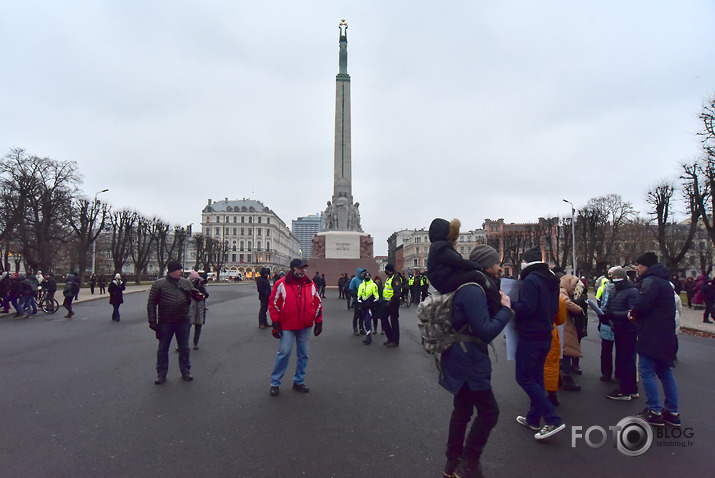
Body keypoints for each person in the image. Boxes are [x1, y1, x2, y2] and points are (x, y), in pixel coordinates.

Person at [438, 244, 513, 478]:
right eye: (497, 263)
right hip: (468, 358)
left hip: (460, 356)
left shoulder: (472, 285)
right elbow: (485, 330)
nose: (500, 267)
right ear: (487, 264)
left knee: (462, 410)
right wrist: (506, 311)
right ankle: (468, 463)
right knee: (489, 412)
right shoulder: (473, 289)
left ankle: (452, 464)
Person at [511, 246, 565, 440]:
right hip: (546, 333)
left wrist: (509, 304)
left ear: (526, 261)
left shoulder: (531, 279)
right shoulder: (551, 280)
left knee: (523, 377)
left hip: (531, 335)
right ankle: (533, 418)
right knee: (536, 377)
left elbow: (527, 308)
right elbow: (553, 308)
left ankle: (552, 419)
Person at [629, 252, 679, 427]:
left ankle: (654, 410)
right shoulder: (665, 282)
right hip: (666, 334)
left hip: (651, 334)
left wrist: (633, 313)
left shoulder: (650, 282)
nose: (637, 268)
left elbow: (642, 304)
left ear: (647, 266)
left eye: (639, 265)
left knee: (646, 370)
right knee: (665, 372)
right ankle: (672, 411)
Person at [268, 258, 323, 397]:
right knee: (284, 353)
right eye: (300, 268)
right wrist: (276, 322)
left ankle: (299, 381)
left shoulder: (310, 284)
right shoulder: (281, 284)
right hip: (288, 325)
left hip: (305, 325)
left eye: (305, 268)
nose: (303, 270)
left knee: (303, 355)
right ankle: (275, 382)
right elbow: (274, 303)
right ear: (293, 269)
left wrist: (319, 321)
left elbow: (317, 302)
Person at [147, 260, 204, 385]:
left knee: (184, 348)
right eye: (179, 270)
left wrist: (199, 295)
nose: (181, 271)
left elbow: (196, 293)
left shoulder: (186, 283)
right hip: (166, 321)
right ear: (172, 271)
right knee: (163, 349)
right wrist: (152, 321)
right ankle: (161, 374)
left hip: (183, 320)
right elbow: (151, 303)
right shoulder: (159, 284)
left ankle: (185, 371)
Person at [602, 267, 640, 401]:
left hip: (628, 330)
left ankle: (626, 390)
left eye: (618, 278)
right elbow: (608, 305)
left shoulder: (632, 292)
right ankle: (630, 388)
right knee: (623, 359)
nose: (615, 280)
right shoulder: (615, 291)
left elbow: (632, 312)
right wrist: (604, 314)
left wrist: (613, 314)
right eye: (613, 278)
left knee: (627, 360)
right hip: (618, 328)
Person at [559, 274, 585, 392]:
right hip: (564, 323)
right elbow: (566, 303)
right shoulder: (562, 291)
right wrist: (579, 309)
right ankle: (566, 377)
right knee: (565, 351)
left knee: (564, 351)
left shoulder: (561, 289)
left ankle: (562, 377)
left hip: (563, 322)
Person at [188, 270, 209, 350]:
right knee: (188, 326)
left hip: (198, 307)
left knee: (196, 326)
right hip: (192, 308)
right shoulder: (188, 285)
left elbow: (206, 295)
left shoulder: (200, 285)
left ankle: (194, 343)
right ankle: (189, 343)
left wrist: (201, 290)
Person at [357, 271, 379, 345]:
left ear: (370, 277)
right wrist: (360, 304)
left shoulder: (373, 285)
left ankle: (368, 337)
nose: (367, 277)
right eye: (366, 276)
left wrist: (373, 304)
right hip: (363, 306)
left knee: (367, 321)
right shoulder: (361, 285)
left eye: (368, 276)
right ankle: (368, 335)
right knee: (365, 321)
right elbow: (359, 295)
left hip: (370, 306)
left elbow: (376, 296)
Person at [349, 268, 366, 335]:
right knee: (356, 315)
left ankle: (361, 328)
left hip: (364, 300)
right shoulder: (354, 280)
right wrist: (357, 294)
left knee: (362, 315)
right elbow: (351, 289)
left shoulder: (365, 280)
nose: (363, 274)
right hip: (357, 300)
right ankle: (355, 329)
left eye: (364, 273)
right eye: (362, 273)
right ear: (359, 273)